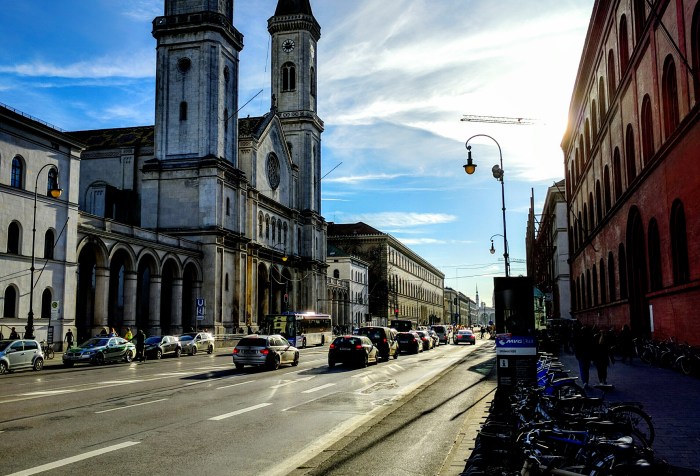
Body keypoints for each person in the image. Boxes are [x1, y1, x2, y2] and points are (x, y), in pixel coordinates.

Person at [573, 321, 594, 388]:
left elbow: (576, 346)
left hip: (581, 355)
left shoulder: (578, 336)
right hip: (587, 354)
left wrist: (577, 355)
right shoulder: (589, 336)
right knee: (586, 369)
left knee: (582, 369)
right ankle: (586, 382)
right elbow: (591, 346)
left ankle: (584, 382)